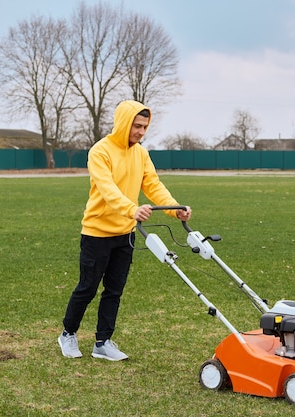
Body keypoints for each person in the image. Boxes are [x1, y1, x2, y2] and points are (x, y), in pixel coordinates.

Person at [58, 100, 191, 361]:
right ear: (123, 123)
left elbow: (153, 185)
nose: (141, 132)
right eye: (137, 126)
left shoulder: (141, 153)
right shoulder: (100, 151)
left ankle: (102, 342)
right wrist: (132, 209)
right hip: (97, 232)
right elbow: (108, 190)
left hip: (125, 234)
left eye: (145, 127)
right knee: (87, 287)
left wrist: (174, 209)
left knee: (114, 290)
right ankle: (68, 333)